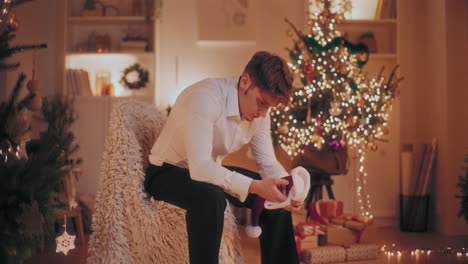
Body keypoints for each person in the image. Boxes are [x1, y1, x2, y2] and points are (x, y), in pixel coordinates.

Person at [144, 51, 301, 264]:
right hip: (166, 172)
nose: (264, 113)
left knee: (275, 199)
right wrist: (255, 186)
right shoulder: (205, 97)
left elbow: (267, 163)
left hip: (209, 171)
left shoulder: (262, 113)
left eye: (269, 106)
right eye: (261, 102)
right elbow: (200, 168)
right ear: (245, 81)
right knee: (211, 197)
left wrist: (288, 188)